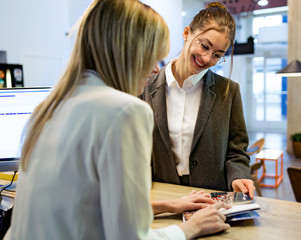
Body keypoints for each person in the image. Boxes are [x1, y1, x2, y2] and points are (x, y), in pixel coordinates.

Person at [4, 1, 230, 239]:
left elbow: (87, 205)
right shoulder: (125, 112)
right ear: (128, 52)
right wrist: (190, 228)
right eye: (152, 57)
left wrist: (172, 205)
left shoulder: (48, 108)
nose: (155, 70)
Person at [140, 2, 255, 197]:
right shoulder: (144, 85)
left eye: (217, 55)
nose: (206, 58)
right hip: (161, 195)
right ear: (187, 33)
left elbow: (237, 152)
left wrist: (238, 176)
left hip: (210, 199)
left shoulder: (229, 92)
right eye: (204, 46)